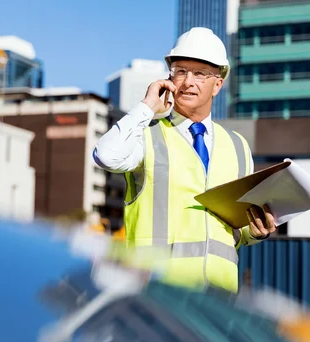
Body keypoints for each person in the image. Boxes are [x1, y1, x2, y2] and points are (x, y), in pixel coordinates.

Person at [93, 27, 276, 294]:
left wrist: (257, 232)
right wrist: (146, 107)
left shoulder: (238, 147)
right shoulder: (146, 134)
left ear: (218, 84)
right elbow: (106, 155)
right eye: (180, 71)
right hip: (154, 295)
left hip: (217, 301)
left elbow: (238, 229)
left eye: (200, 73)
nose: (188, 81)